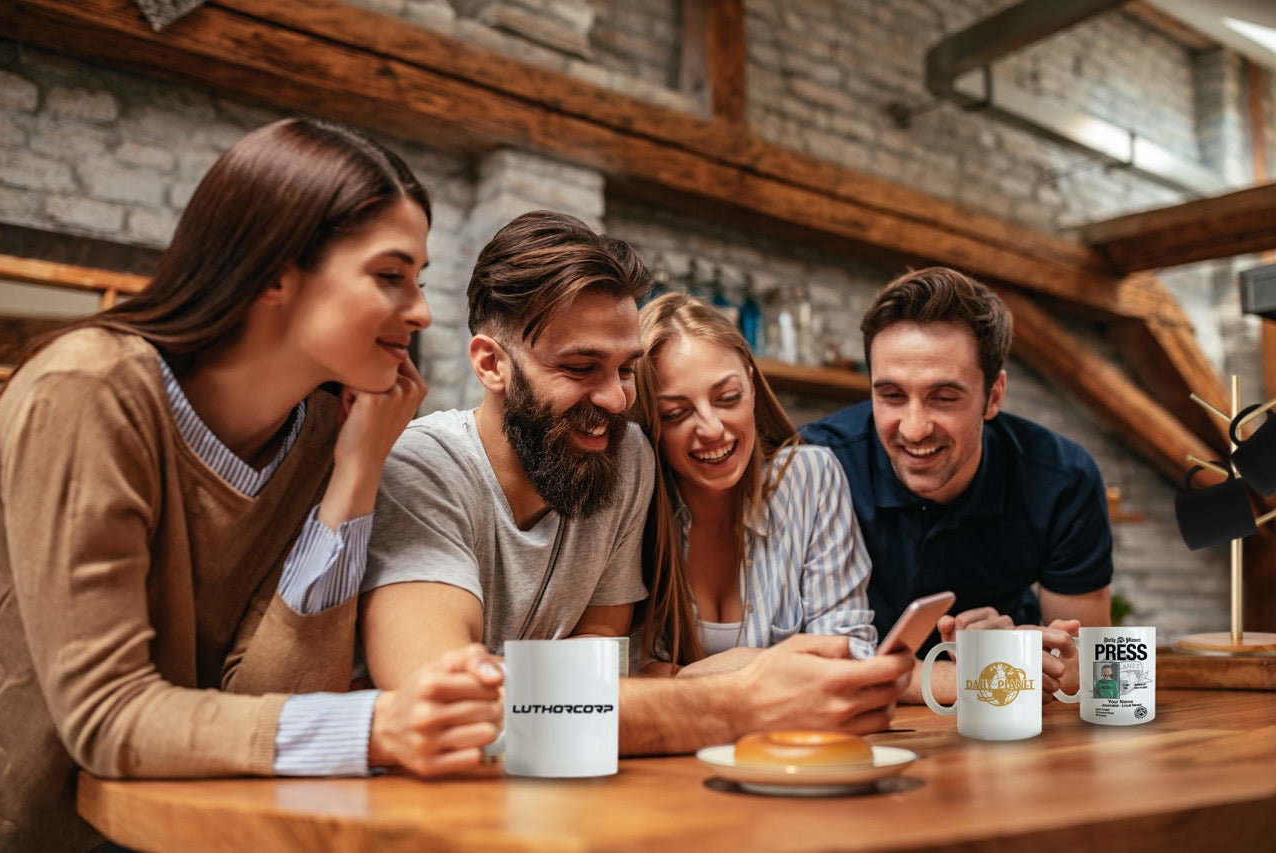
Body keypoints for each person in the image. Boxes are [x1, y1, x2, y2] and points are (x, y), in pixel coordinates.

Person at [0, 118, 503, 853]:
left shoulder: (326, 435)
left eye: (419, 281)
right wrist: (378, 725)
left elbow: (260, 701)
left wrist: (355, 477)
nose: (422, 311)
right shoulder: (90, 390)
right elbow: (106, 719)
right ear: (273, 271)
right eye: (390, 275)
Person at [360, 211, 913, 755]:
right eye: (580, 368)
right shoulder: (422, 468)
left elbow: (599, 657)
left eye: (626, 370)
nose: (617, 400)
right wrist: (742, 696)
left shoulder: (624, 457)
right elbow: (442, 700)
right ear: (491, 363)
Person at [801, 266, 1111, 703]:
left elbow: (1092, 665)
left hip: (1003, 728)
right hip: (859, 728)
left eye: (943, 398)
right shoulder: (815, 465)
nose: (912, 428)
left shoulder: (1062, 478)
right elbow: (796, 663)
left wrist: (1019, 655)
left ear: (994, 396)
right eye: (891, 396)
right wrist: (978, 675)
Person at [632, 293, 876, 672]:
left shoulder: (810, 478)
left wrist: (693, 675)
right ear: (650, 422)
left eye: (728, 398)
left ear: (751, 386)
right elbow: (621, 672)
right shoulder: (634, 500)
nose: (712, 429)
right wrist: (773, 665)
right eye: (675, 414)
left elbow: (849, 653)